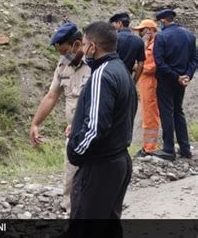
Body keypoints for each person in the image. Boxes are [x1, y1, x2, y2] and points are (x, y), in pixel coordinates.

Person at [67, 22, 137, 230]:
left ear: (93, 47)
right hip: (118, 160)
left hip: (99, 166)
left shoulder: (101, 75)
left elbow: (96, 127)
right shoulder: (121, 69)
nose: (83, 49)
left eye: (85, 44)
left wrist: (75, 149)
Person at [29, 23, 90, 213]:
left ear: (77, 44)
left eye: (65, 51)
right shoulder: (63, 65)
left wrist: (81, 122)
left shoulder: (95, 65)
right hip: (73, 131)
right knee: (71, 172)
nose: (63, 56)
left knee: (93, 175)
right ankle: (71, 209)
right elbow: (52, 96)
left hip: (93, 129)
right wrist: (35, 123)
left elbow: (99, 101)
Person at [151, 9, 197, 161]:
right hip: (182, 81)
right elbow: (194, 59)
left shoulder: (161, 37)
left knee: (167, 112)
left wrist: (175, 76)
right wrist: (186, 76)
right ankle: (185, 149)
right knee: (179, 111)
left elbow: (159, 62)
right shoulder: (189, 35)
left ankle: (169, 149)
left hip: (166, 80)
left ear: (163, 21)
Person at [131, 20, 160, 157]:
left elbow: (152, 67)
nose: (139, 33)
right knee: (147, 114)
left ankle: (149, 148)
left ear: (149, 30)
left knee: (150, 115)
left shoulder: (155, 46)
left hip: (150, 84)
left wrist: (136, 67)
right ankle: (148, 146)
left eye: (141, 30)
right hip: (145, 83)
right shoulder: (148, 44)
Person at [109, 12, 145, 82]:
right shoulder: (138, 41)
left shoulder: (113, 39)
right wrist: (134, 82)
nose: (113, 26)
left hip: (112, 78)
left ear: (120, 23)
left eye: (114, 24)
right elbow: (140, 65)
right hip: (127, 79)